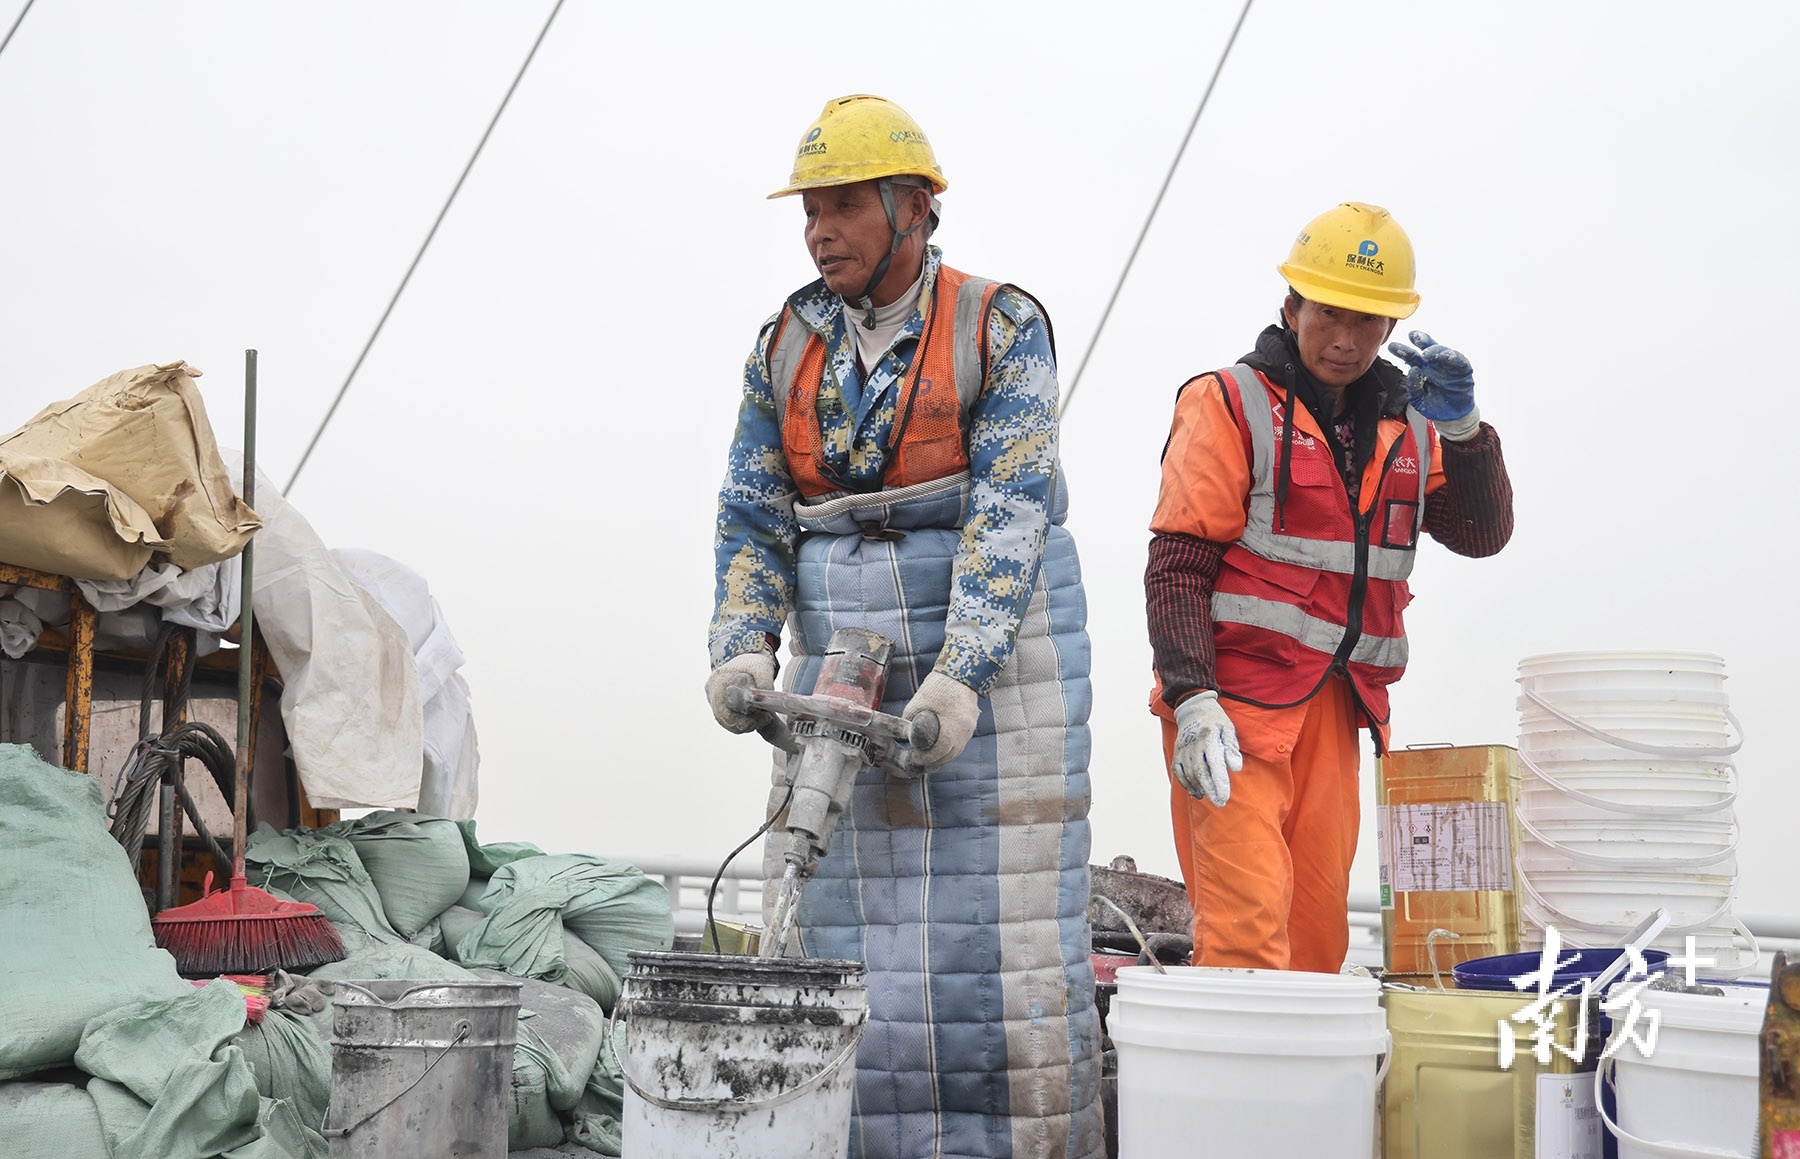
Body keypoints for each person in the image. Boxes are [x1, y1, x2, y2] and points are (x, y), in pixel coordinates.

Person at [705, 94, 1103, 1159]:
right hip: (847, 654)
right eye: (811, 211)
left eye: (843, 206)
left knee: (1001, 943)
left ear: (913, 210)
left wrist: (962, 673)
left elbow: (1010, 506)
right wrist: (743, 645)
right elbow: (752, 510)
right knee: (842, 921)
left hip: (999, 663)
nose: (819, 229)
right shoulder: (783, 346)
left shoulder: (1000, 327)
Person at [1144, 201, 1514, 972]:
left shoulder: (1410, 425)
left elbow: (1481, 534)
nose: (1345, 340)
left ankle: (1295, 1094)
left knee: (1316, 948)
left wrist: (1467, 432)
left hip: (1336, 708)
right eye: (1329, 314)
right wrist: (1191, 699)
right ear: (1292, 306)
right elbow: (1178, 564)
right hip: (1232, 716)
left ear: (1390, 329)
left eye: (1368, 322)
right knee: (1246, 942)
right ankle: (1228, 1093)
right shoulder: (1228, 402)